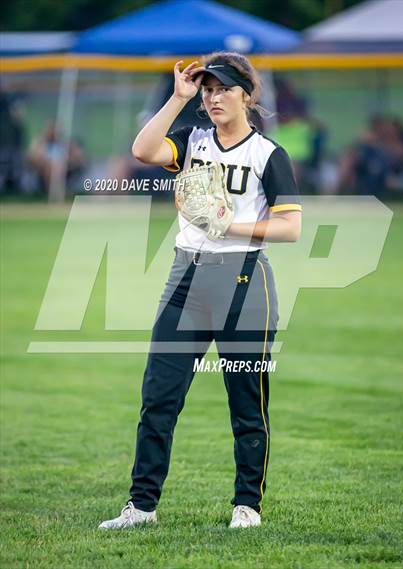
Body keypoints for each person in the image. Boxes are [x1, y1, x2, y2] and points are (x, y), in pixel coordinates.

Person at [99, 51, 302, 530]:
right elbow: (143, 150)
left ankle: (247, 506)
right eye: (207, 90)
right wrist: (177, 98)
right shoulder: (193, 139)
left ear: (246, 95)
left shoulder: (267, 154)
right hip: (185, 279)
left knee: (246, 404)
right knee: (159, 397)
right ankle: (141, 507)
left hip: (243, 282)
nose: (213, 98)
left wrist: (231, 225)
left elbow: (291, 228)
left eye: (223, 89)